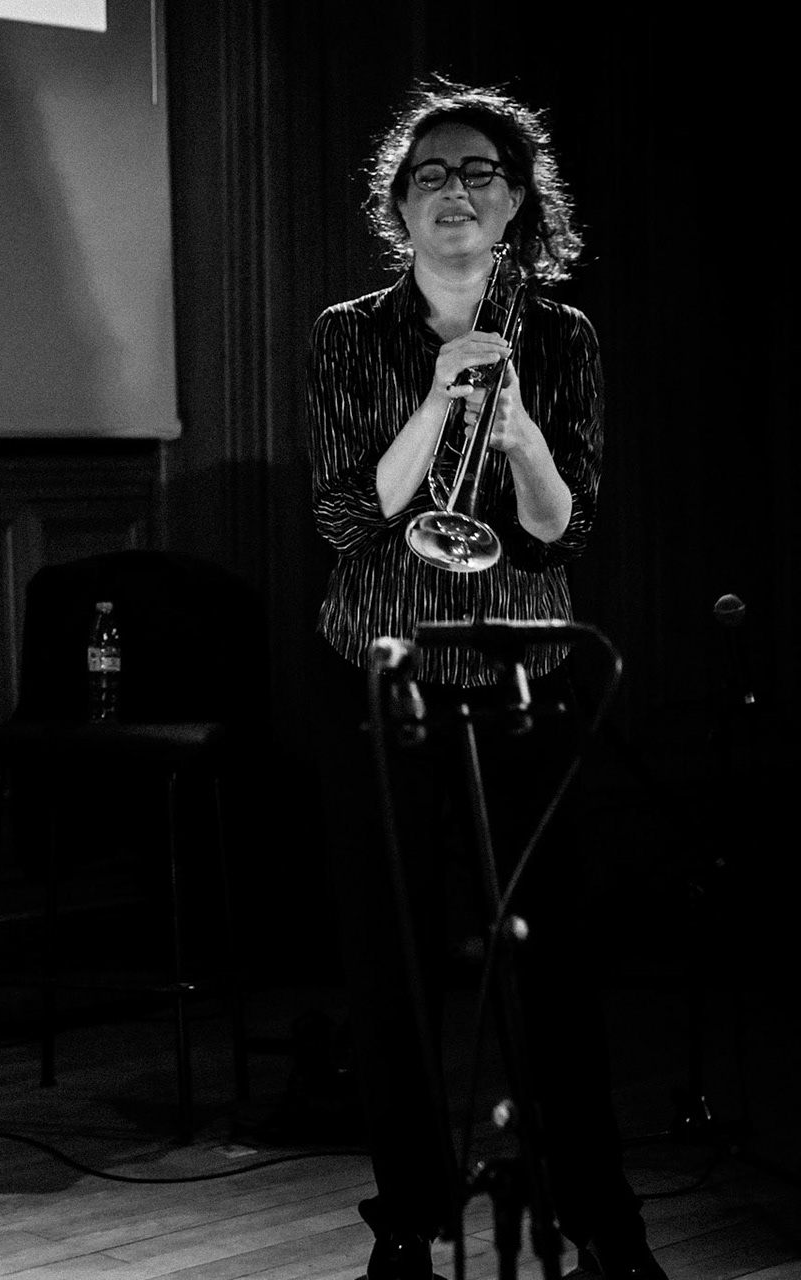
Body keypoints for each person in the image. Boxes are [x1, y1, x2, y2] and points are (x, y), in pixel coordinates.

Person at [305, 86, 666, 1280]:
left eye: (478, 173)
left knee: (550, 965)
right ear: (398, 207)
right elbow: (347, 516)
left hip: (521, 679)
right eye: (430, 174)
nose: (453, 191)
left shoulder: (561, 338)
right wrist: (435, 398)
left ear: (516, 203)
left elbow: (564, 533)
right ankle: (409, 1222)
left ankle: (600, 1216)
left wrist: (516, 433)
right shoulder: (350, 333)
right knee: (393, 971)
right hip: (385, 676)